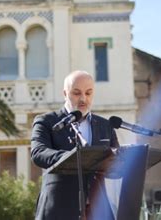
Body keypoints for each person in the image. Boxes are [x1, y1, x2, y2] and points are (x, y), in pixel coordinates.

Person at [31, 70, 119, 220]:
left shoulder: (106, 126)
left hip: (97, 210)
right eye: (77, 93)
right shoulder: (46, 121)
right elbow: (38, 153)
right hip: (58, 208)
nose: (83, 99)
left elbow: (115, 166)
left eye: (89, 93)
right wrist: (73, 158)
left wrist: (126, 160)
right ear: (65, 94)